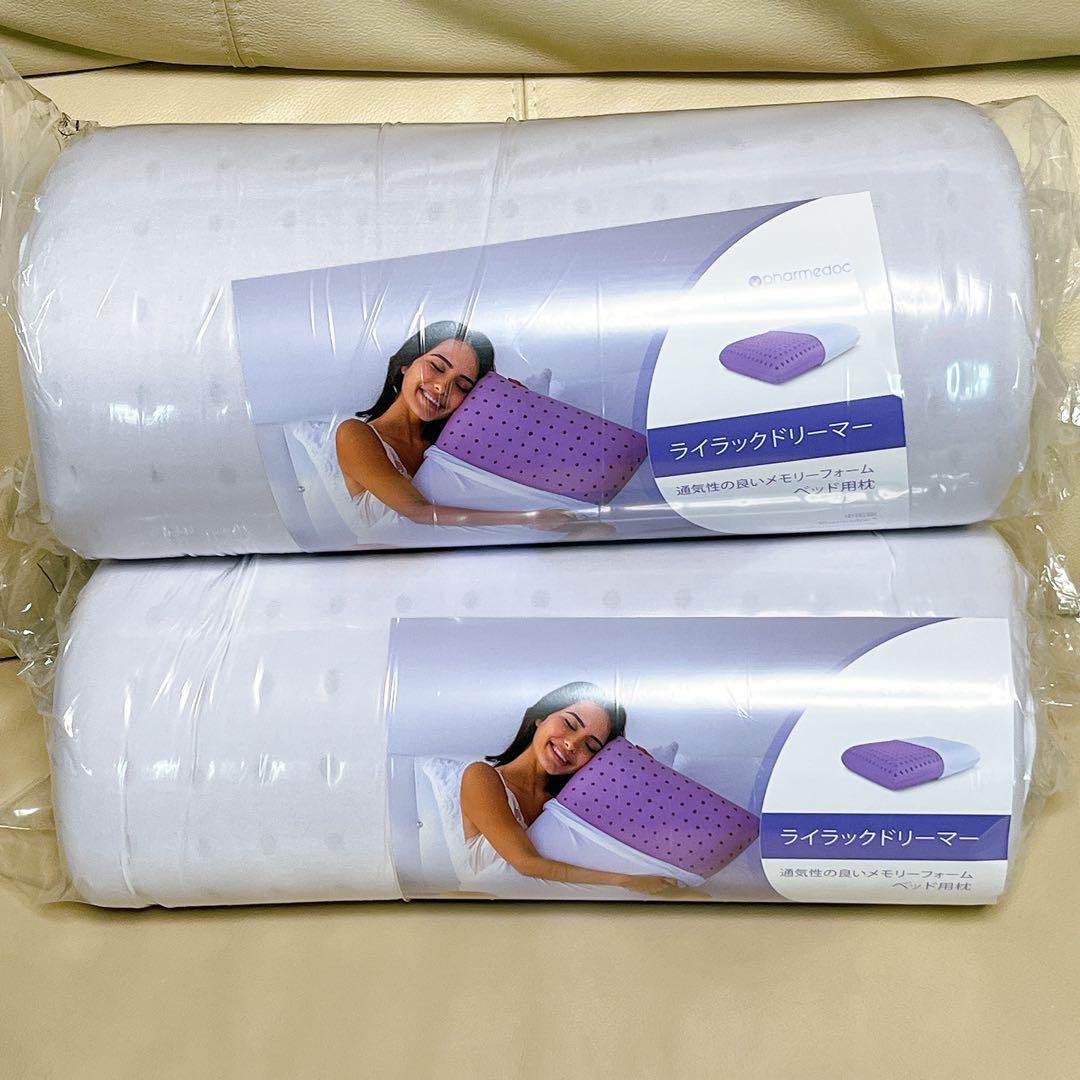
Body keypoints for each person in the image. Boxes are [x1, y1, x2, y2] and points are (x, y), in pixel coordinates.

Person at [333, 321, 579, 532]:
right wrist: (527, 519)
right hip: (392, 561)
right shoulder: (355, 434)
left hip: (459, 555)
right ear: (406, 363)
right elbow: (417, 511)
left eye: (461, 386)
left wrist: (508, 401)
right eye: (436, 367)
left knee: (587, 530)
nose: (442, 387)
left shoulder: (451, 445)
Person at [459, 682, 683, 895]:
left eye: (590, 745)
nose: (572, 744)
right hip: (488, 907)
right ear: (542, 717)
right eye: (570, 724)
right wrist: (625, 881)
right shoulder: (481, 777)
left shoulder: (569, 802)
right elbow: (525, 862)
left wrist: (638, 770)